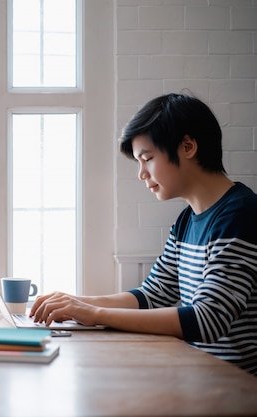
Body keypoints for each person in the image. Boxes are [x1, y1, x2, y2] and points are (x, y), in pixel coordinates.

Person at [30, 93, 257, 375]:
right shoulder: (186, 221)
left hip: (236, 389)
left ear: (187, 147)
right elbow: (153, 294)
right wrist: (76, 302)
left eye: (147, 159)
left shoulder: (240, 215)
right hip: (201, 378)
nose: (141, 173)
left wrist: (94, 314)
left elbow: (207, 320)